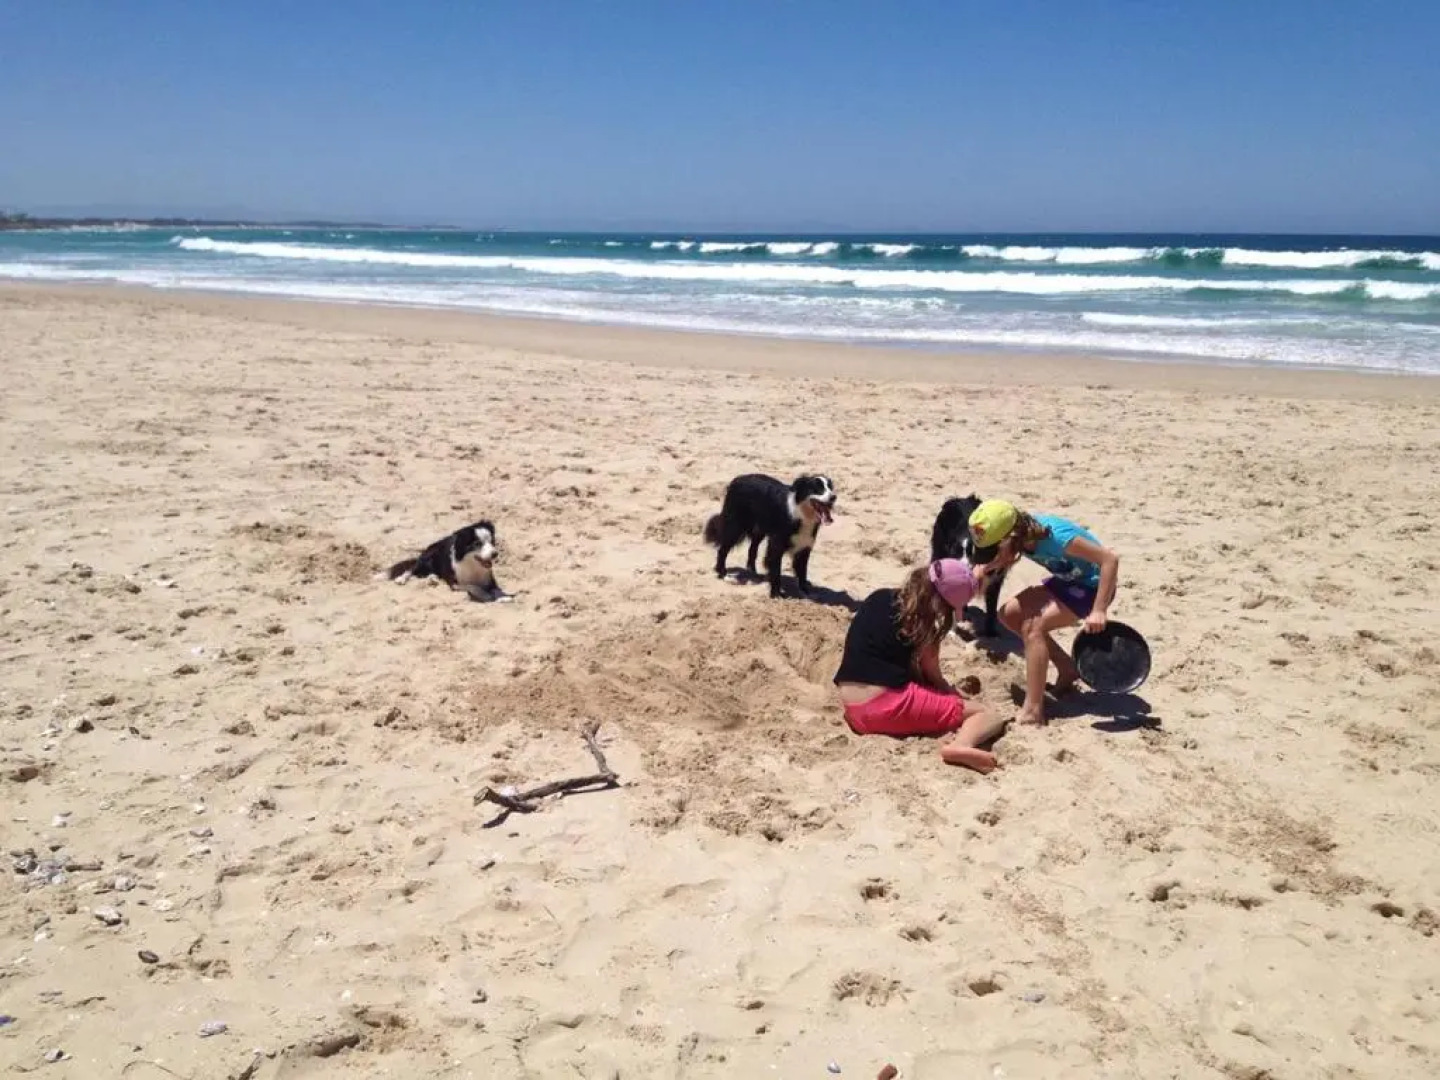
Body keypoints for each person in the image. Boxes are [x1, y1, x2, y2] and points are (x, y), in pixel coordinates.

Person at [834, 558, 1007, 773]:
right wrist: (954, 696)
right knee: (987, 715)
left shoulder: (879, 597)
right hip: (884, 707)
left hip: (851, 706)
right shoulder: (926, 622)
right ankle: (960, 746)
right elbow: (933, 674)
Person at [967, 500, 1120, 726]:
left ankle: (1033, 710)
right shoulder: (1021, 538)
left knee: (1033, 627)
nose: (994, 554)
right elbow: (1007, 556)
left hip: (1093, 589)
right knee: (1009, 614)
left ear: (1012, 537)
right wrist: (987, 568)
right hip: (1067, 582)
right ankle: (1067, 668)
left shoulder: (1057, 539)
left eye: (996, 548)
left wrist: (1099, 610)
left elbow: (1109, 560)